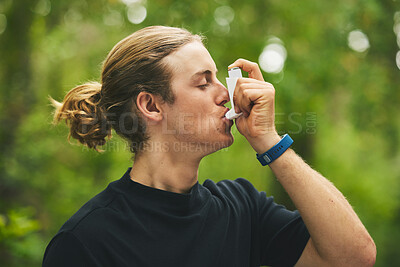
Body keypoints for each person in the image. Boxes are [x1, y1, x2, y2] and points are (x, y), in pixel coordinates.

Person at [43, 26, 376, 267]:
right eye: (204, 82)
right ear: (152, 106)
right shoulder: (85, 242)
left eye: (219, 79)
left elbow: (353, 257)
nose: (227, 94)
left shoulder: (243, 208)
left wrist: (268, 140)